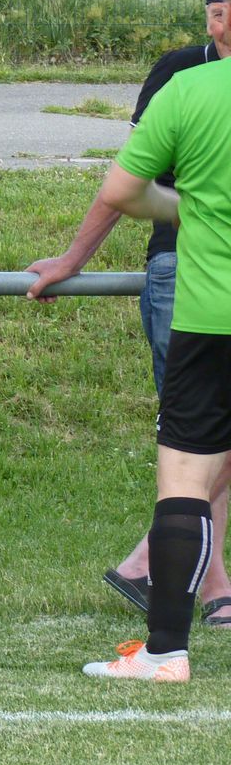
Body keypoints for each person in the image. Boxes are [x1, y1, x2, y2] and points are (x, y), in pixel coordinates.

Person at [26, 0, 231, 630]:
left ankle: (164, 589)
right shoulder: (181, 74)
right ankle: (199, 580)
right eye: (215, 10)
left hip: (202, 287)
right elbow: (127, 179)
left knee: (199, 452)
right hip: (185, 273)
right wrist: (73, 258)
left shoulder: (192, 88)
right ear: (209, 14)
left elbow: (126, 187)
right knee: (199, 448)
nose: (219, 22)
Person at [81, 53, 231, 681]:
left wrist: (180, 206)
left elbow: (122, 191)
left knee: (186, 481)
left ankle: (166, 652)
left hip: (211, 317)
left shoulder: (189, 89)